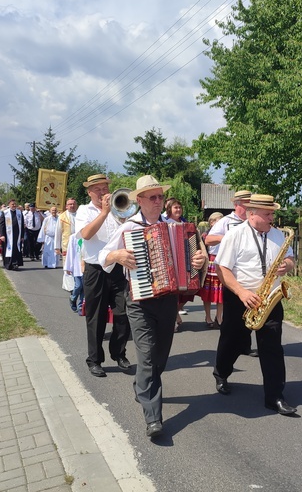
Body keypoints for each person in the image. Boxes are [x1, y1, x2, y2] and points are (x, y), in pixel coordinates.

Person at [99, 175, 205, 438]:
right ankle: (153, 419)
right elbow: (102, 257)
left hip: (168, 301)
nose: (159, 202)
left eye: (161, 197)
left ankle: (142, 386)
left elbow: (192, 263)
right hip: (139, 301)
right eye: (153, 197)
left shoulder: (176, 227)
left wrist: (199, 260)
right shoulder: (128, 228)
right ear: (140, 201)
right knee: (146, 357)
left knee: (160, 358)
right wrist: (117, 255)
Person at [212, 194, 297, 416]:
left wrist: (286, 265)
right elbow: (222, 269)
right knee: (233, 341)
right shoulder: (235, 235)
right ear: (251, 214)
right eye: (267, 214)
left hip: (269, 297)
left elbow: (291, 259)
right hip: (240, 297)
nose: (272, 218)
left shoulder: (278, 235)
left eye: (272, 213)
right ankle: (221, 372)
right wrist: (241, 292)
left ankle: (275, 396)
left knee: (272, 348)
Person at [75, 174, 132, 378]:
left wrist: (119, 214)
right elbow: (87, 234)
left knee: (123, 314)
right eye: (97, 189)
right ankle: (95, 360)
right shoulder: (84, 210)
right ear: (89, 192)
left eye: (105, 188)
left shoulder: (118, 209)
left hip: (118, 268)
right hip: (95, 270)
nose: (102, 192)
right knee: (96, 317)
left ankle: (119, 353)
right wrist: (105, 213)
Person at [206, 189, 258, 355]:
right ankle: (228, 347)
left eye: (251, 203)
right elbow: (208, 239)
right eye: (245, 203)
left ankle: (245, 345)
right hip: (229, 267)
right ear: (236, 205)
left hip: (248, 269)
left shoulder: (253, 221)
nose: (249, 206)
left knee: (250, 308)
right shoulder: (226, 221)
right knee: (232, 312)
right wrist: (229, 237)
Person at [164, 197, 192, 332]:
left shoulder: (185, 223)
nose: (179, 210)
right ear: (169, 209)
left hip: (182, 261)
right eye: (175, 207)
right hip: (169, 262)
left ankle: (175, 316)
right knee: (171, 293)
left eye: (180, 207)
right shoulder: (163, 222)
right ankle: (174, 318)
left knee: (183, 291)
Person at [199, 212, 224, 328]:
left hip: (222, 263)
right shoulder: (206, 235)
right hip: (210, 263)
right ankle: (207, 316)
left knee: (221, 293)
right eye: (218, 221)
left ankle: (219, 317)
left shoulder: (225, 233)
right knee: (208, 293)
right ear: (211, 222)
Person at [0, 199, 24, 270]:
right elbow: (1, 225)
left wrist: (22, 236)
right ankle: (8, 264)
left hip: (17, 235)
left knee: (16, 249)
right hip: (7, 235)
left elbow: (22, 225)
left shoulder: (19, 213)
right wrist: (2, 235)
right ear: (9, 205)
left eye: (15, 204)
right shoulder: (5, 213)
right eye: (12, 204)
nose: (14, 205)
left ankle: (15, 263)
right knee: (8, 249)